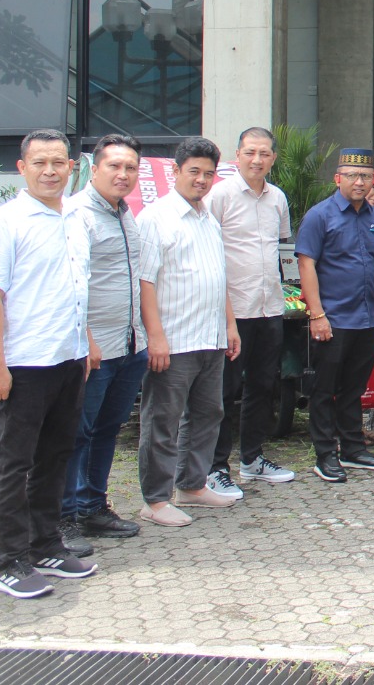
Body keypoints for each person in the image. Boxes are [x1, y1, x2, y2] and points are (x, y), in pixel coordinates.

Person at [0, 129, 95, 599]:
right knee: (14, 463)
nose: (50, 171)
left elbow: (75, 286)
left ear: (71, 168)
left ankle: (45, 544)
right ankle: (8, 561)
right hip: (24, 363)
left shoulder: (76, 218)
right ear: (22, 168)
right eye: (40, 163)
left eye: (58, 162)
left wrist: (85, 343)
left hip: (68, 358)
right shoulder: (5, 222)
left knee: (55, 455)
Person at [137, 137, 240, 528]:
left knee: (208, 413)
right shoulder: (155, 218)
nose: (201, 180)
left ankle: (192, 485)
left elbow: (218, 276)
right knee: (162, 421)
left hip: (210, 336)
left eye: (208, 174)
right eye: (194, 171)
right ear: (176, 171)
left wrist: (229, 325)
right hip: (174, 339)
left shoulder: (208, 218)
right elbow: (145, 282)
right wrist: (155, 336)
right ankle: (155, 499)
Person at [60, 134, 146, 550]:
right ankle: (63, 517)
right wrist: (88, 339)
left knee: (107, 430)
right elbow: (73, 282)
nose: (123, 174)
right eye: (114, 166)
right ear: (94, 170)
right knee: (77, 433)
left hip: (129, 344)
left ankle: (93, 506)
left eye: (130, 167)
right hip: (94, 349)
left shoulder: (125, 213)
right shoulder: (78, 214)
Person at [295, 149, 374, 483]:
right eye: (352, 175)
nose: (359, 182)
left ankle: (353, 449)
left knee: (354, 387)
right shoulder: (319, 216)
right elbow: (306, 265)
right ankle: (325, 454)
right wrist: (316, 314)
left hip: (367, 317)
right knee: (324, 389)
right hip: (333, 317)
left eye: (365, 176)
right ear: (338, 178)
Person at [205, 126, 295, 493]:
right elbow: (208, 252)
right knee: (224, 391)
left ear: (273, 158)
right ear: (237, 155)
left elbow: (282, 248)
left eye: (264, 154)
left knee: (262, 385)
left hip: (269, 307)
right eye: (250, 152)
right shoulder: (220, 195)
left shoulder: (278, 198)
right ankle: (214, 467)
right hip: (232, 310)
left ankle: (252, 459)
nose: (257, 160)